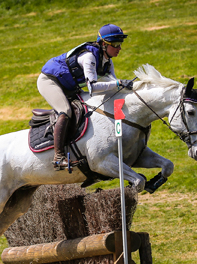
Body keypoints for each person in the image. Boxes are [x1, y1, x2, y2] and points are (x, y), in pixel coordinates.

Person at [39, 24, 134, 170]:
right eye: (115, 44)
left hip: (69, 86)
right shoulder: (89, 57)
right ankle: (58, 158)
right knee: (66, 111)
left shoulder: (107, 61)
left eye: (120, 44)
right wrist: (118, 83)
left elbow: (113, 85)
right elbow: (93, 87)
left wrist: (123, 88)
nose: (119, 48)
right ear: (104, 44)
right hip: (50, 81)